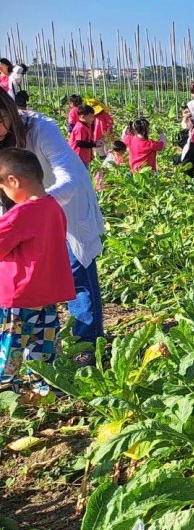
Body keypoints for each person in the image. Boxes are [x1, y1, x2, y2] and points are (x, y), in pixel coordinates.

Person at [0, 89, 105, 350]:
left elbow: (71, 177)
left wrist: (37, 210)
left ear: (9, 111)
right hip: (19, 215)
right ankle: (42, 350)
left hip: (63, 207)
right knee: (33, 280)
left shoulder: (39, 128)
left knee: (75, 273)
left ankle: (87, 343)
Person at [0, 148, 76, 396]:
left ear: (14, 181)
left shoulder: (18, 215)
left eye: (3, 186)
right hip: (48, 293)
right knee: (45, 345)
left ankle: (4, 386)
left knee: (10, 344)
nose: (4, 192)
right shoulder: (54, 207)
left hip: (20, 296)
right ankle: (44, 386)